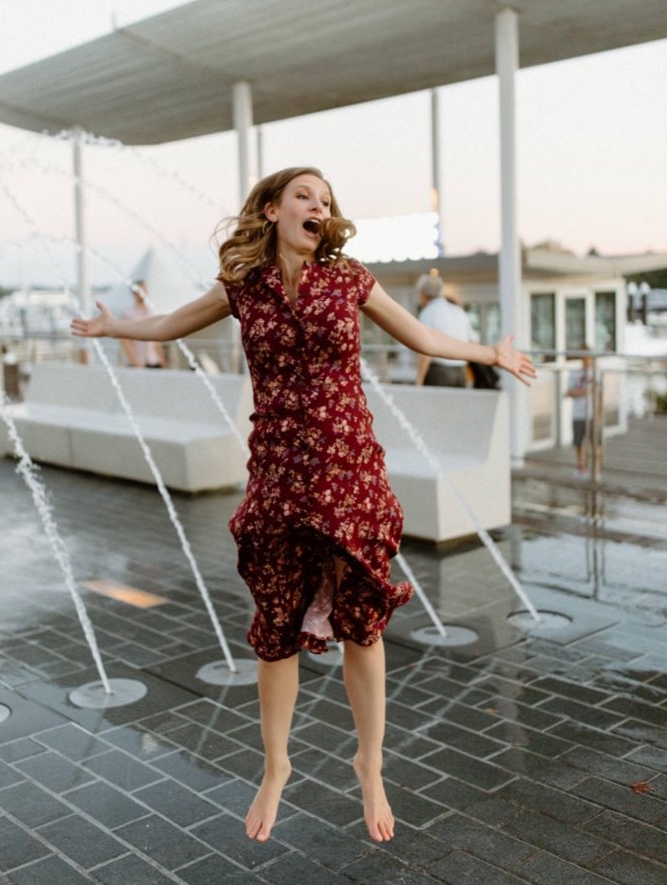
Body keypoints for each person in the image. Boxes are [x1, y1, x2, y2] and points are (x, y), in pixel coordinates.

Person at [71, 166, 535, 845]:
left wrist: (489, 350)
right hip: (281, 471)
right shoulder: (244, 287)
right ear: (270, 209)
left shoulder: (350, 279)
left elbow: (423, 339)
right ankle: (275, 767)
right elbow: (173, 324)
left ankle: (370, 766)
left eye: (325, 200)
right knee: (278, 622)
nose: (318, 206)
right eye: (304, 196)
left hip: (347, 465)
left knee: (363, 622)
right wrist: (120, 329)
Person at [412, 273, 473, 388]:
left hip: (439, 372)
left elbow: (426, 350)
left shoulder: (429, 312)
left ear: (423, 295)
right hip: (461, 371)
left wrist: (419, 380)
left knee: (435, 406)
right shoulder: (458, 310)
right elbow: (471, 341)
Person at [118, 283, 164, 369]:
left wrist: (161, 355)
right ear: (134, 293)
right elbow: (124, 339)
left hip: (153, 360)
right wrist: (134, 360)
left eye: (145, 290)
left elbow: (156, 337)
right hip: (137, 362)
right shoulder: (128, 313)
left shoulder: (151, 311)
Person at [566, 349, 597, 476]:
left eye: (588, 357)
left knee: (595, 444)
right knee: (578, 443)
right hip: (578, 414)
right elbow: (568, 392)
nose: (586, 360)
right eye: (583, 357)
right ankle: (581, 468)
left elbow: (598, 393)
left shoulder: (596, 373)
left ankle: (596, 470)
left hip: (592, 415)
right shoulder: (574, 373)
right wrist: (584, 391)